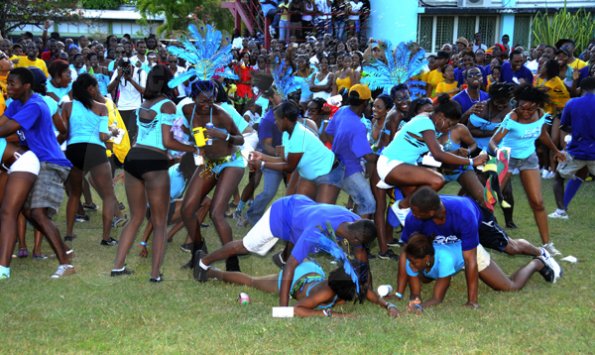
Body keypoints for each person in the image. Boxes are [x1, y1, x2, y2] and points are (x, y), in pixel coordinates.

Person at [111, 65, 195, 282]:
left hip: (133, 159)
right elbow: (167, 141)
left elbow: (143, 136)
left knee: (136, 217)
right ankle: (155, 274)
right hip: (154, 161)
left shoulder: (143, 104)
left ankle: (118, 267)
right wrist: (194, 148)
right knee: (159, 222)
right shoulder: (167, 105)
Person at [0, 67, 74, 279]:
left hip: (51, 162)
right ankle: (64, 251)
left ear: (27, 86)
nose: (8, 87)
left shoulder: (35, 105)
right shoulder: (16, 103)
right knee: (28, 212)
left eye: (13, 83)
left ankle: (66, 264)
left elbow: (7, 129)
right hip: (33, 163)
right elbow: (1, 122)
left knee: (38, 213)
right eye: (8, 82)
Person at [376, 95, 487, 225]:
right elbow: (438, 154)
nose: (448, 129)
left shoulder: (430, 123)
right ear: (440, 116)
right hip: (391, 164)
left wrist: (458, 155)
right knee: (437, 180)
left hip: (405, 166)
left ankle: (409, 221)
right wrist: (472, 161)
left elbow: (434, 156)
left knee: (421, 200)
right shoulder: (426, 122)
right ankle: (401, 207)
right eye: (449, 124)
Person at [489, 85, 564, 256]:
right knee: (490, 199)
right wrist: (498, 152)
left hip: (529, 158)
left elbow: (542, 134)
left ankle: (547, 245)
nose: (527, 111)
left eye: (531, 108)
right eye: (523, 107)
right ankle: (476, 237)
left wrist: (555, 150)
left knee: (538, 203)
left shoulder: (540, 114)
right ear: (517, 104)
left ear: (537, 105)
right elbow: (494, 140)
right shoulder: (512, 117)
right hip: (506, 157)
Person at [181, 80, 245, 272]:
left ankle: (232, 263)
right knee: (187, 209)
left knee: (216, 213)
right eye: (203, 100)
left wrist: (222, 135)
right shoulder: (187, 110)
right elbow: (194, 135)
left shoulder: (220, 114)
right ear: (193, 98)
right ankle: (198, 252)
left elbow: (240, 138)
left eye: (211, 99)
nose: (207, 103)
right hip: (209, 164)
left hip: (230, 162)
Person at [403, 233, 561, 311]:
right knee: (424, 277)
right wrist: (415, 299)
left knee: (509, 287)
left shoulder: (445, 261)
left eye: (415, 261)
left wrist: (420, 307)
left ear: (427, 258)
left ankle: (537, 263)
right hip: (451, 255)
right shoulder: (415, 261)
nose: (411, 265)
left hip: (471, 252)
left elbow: (437, 298)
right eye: (410, 260)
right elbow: (415, 292)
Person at [62, 74, 118, 245]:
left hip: (73, 149)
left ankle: (69, 233)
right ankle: (106, 238)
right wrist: (112, 133)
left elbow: (64, 131)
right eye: (97, 87)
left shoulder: (67, 106)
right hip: (95, 149)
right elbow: (102, 136)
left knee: (74, 194)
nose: (99, 90)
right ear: (90, 88)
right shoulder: (101, 107)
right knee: (108, 195)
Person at [248, 100, 339, 200]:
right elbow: (284, 160)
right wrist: (261, 156)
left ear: (285, 120)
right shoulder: (287, 133)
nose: (275, 122)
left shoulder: (299, 134)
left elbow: (289, 167)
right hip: (312, 173)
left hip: (329, 172)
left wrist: (262, 164)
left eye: (277, 119)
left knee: (322, 212)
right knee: (297, 206)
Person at [320, 84, 376, 218]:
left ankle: (352, 229)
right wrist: (383, 158)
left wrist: (340, 147)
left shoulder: (342, 110)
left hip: (335, 164)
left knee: (328, 206)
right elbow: (368, 157)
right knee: (368, 204)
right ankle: (359, 236)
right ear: (365, 103)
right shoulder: (358, 126)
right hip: (349, 170)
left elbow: (328, 133)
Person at [550, 77, 595, 219]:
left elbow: (564, 126)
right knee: (581, 173)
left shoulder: (572, 103)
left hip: (577, 150)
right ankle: (563, 208)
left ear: (580, 89)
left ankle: (561, 211)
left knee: (558, 177)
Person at [107, 57, 147, 144]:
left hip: (136, 107)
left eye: (128, 66)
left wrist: (130, 79)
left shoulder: (140, 72)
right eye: (123, 67)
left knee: (132, 134)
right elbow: (109, 89)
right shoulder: (118, 72)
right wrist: (118, 77)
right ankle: (121, 156)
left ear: (131, 65)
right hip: (121, 108)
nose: (126, 69)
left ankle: (131, 154)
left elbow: (143, 91)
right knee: (120, 136)